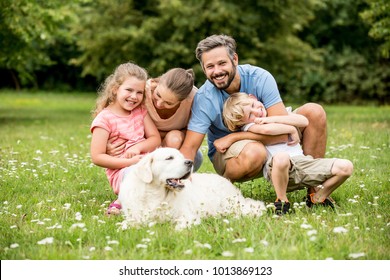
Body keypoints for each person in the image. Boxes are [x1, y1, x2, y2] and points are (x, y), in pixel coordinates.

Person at [180, 34, 327, 200]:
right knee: (255, 151)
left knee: (315, 111)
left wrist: (235, 136)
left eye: (222, 63)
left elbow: (281, 133)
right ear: (204, 69)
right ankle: (222, 192)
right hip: (232, 154)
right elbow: (190, 148)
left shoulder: (260, 77)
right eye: (210, 66)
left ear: (234, 59)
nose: (217, 71)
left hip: (269, 139)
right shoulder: (205, 98)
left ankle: (314, 192)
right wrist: (180, 183)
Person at [222, 92, 354, 215]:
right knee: (282, 157)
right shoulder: (250, 126)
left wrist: (272, 119)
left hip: (303, 164)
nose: (257, 112)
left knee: (346, 167)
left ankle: (318, 198)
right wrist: (290, 128)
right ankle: (282, 201)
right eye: (250, 115)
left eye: (253, 105)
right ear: (242, 123)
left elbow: (304, 121)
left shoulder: (275, 114)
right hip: (278, 168)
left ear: (253, 97)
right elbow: (267, 131)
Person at [90, 62, 161, 215]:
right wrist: (130, 162)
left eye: (139, 92)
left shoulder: (140, 111)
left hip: (146, 163)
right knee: (135, 173)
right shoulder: (104, 120)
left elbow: (155, 139)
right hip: (123, 172)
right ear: (115, 89)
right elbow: (97, 157)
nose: (134, 97)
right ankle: (121, 202)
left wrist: (138, 148)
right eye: (129, 90)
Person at [107, 68, 203, 171]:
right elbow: (113, 114)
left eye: (169, 103)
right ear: (157, 83)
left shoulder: (195, 99)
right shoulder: (142, 91)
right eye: (158, 95)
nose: (159, 104)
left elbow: (194, 135)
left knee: (174, 138)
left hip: (183, 152)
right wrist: (107, 143)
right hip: (143, 148)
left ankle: (169, 175)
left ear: (183, 100)